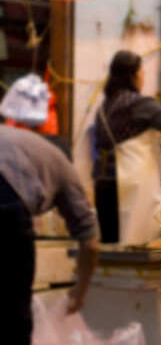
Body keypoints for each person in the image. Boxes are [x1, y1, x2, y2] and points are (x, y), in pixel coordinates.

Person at [0, 126, 99, 344]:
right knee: (13, 315)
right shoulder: (62, 164)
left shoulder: (21, 145)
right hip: (6, 207)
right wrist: (80, 290)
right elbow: (90, 240)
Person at [93, 50, 161, 245]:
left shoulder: (105, 108)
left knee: (111, 246)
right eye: (142, 74)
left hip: (105, 183)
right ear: (132, 75)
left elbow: (137, 137)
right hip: (132, 185)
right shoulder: (140, 104)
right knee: (137, 245)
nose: (142, 79)